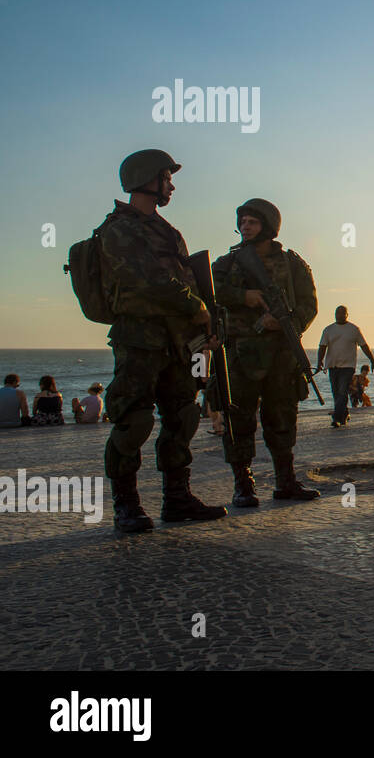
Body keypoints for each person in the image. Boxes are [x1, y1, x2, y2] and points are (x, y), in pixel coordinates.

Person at [99, 149, 227, 532]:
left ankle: (177, 498)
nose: (171, 185)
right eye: (166, 177)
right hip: (140, 340)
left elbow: (186, 279)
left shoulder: (168, 231)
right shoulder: (119, 228)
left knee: (183, 415)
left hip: (178, 342)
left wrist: (205, 329)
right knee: (133, 420)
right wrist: (197, 307)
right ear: (146, 179)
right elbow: (150, 279)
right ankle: (127, 504)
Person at [215, 198, 321, 507]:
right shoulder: (227, 263)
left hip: (280, 355)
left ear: (269, 227)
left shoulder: (291, 263)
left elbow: (308, 303)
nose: (245, 227)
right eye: (243, 222)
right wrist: (242, 297)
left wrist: (287, 321)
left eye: (253, 222)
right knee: (239, 419)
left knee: (282, 417)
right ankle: (243, 484)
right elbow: (208, 292)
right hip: (241, 353)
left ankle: (285, 481)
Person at [316, 305, 374, 428]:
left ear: (347, 315)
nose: (339, 315)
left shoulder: (354, 329)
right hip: (333, 365)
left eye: (342, 313)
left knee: (342, 391)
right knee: (336, 392)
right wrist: (319, 362)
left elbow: (364, 346)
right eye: (337, 313)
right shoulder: (328, 330)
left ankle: (337, 418)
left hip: (348, 366)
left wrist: (372, 360)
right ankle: (344, 414)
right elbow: (322, 346)